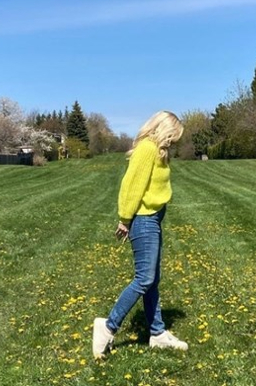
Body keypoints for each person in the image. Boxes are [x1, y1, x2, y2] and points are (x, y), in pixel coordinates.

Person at [93, 111, 188, 359]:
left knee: (153, 279)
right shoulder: (147, 148)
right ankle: (108, 326)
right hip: (143, 220)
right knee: (144, 279)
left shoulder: (159, 151)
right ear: (165, 130)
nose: (174, 142)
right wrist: (125, 219)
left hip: (153, 218)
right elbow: (131, 185)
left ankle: (157, 334)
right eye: (173, 136)